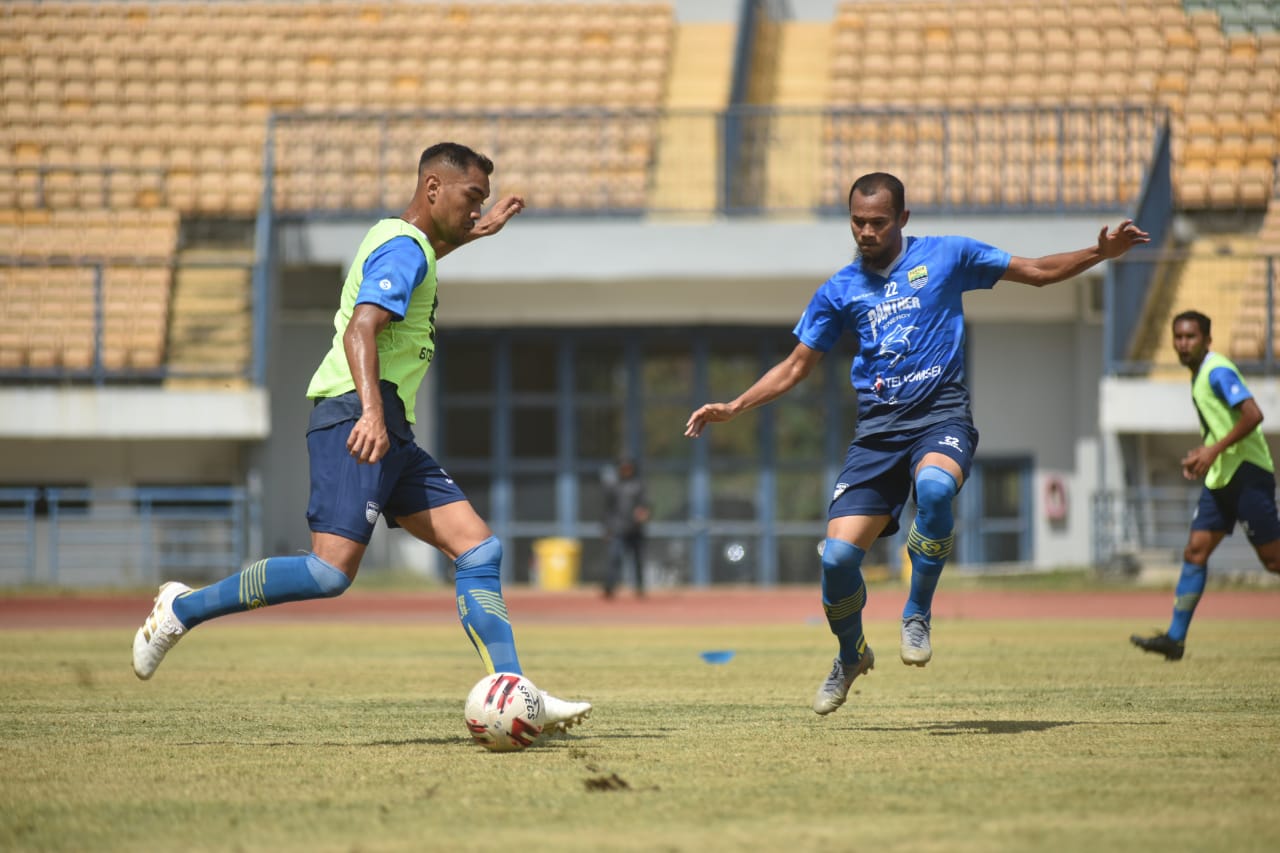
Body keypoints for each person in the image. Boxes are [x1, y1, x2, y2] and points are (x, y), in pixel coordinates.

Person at [131, 142, 591, 733]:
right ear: (432, 188)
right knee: (329, 573)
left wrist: (477, 235)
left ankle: (513, 689)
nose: (477, 210)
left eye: (482, 202)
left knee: (479, 550)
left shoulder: (409, 243)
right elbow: (361, 328)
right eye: (471, 198)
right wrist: (372, 415)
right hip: (357, 414)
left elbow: (422, 258)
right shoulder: (403, 247)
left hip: (388, 423)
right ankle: (181, 609)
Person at [684, 171, 1149, 715]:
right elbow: (794, 367)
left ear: (902, 219)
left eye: (878, 222)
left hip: (939, 417)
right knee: (836, 559)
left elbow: (1039, 272)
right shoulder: (839, 290)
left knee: (933, 490)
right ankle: (852, 653)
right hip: (877, 435)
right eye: (857, 221)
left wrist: (1101, 254)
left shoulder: (949, 256)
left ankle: (916, 613)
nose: (865, 231)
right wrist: (735, 405)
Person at [1131, 310, 1280, 661]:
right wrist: (1205, 453)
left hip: (1246, 473)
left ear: (1207, 340)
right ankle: (1175, 639)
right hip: (1221, 478)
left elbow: (1253, 414)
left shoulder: (1217, 371)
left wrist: (1212, 450)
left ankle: (1175, 637)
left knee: (1273, 561)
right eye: (1178, 337)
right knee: (1194, 552)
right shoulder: (1199, 375)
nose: (1183, 344)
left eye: (1190, 337)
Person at [601, 458, 650, 598]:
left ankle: (640, 588)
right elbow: (607, 509)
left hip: (635, 529)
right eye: (623, 468)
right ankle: (609, 588)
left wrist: (644, 513)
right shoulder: (613, 486)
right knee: (614, 558)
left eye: (628, 468)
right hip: (618, 529)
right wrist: (606, 528)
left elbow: (646, 505)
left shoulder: (638, 485)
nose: (626, 471)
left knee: (638, 560)